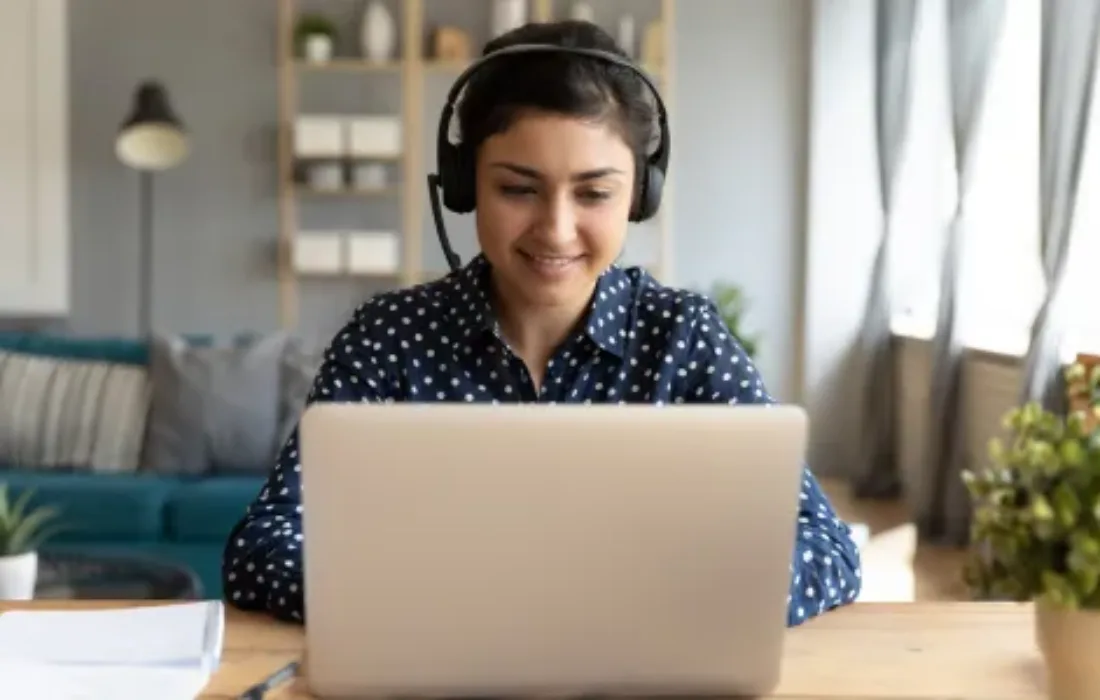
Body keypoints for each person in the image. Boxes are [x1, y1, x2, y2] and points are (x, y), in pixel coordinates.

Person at [222, 20, 862, 627]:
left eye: (593, 193)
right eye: (519, 189)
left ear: (640, 195)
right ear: (464, 184)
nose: (556, 230)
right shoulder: (387, 339)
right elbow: (263, 546)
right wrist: (455, 602)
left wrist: (646, 602)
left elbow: (822, 545)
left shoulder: (681, 339)